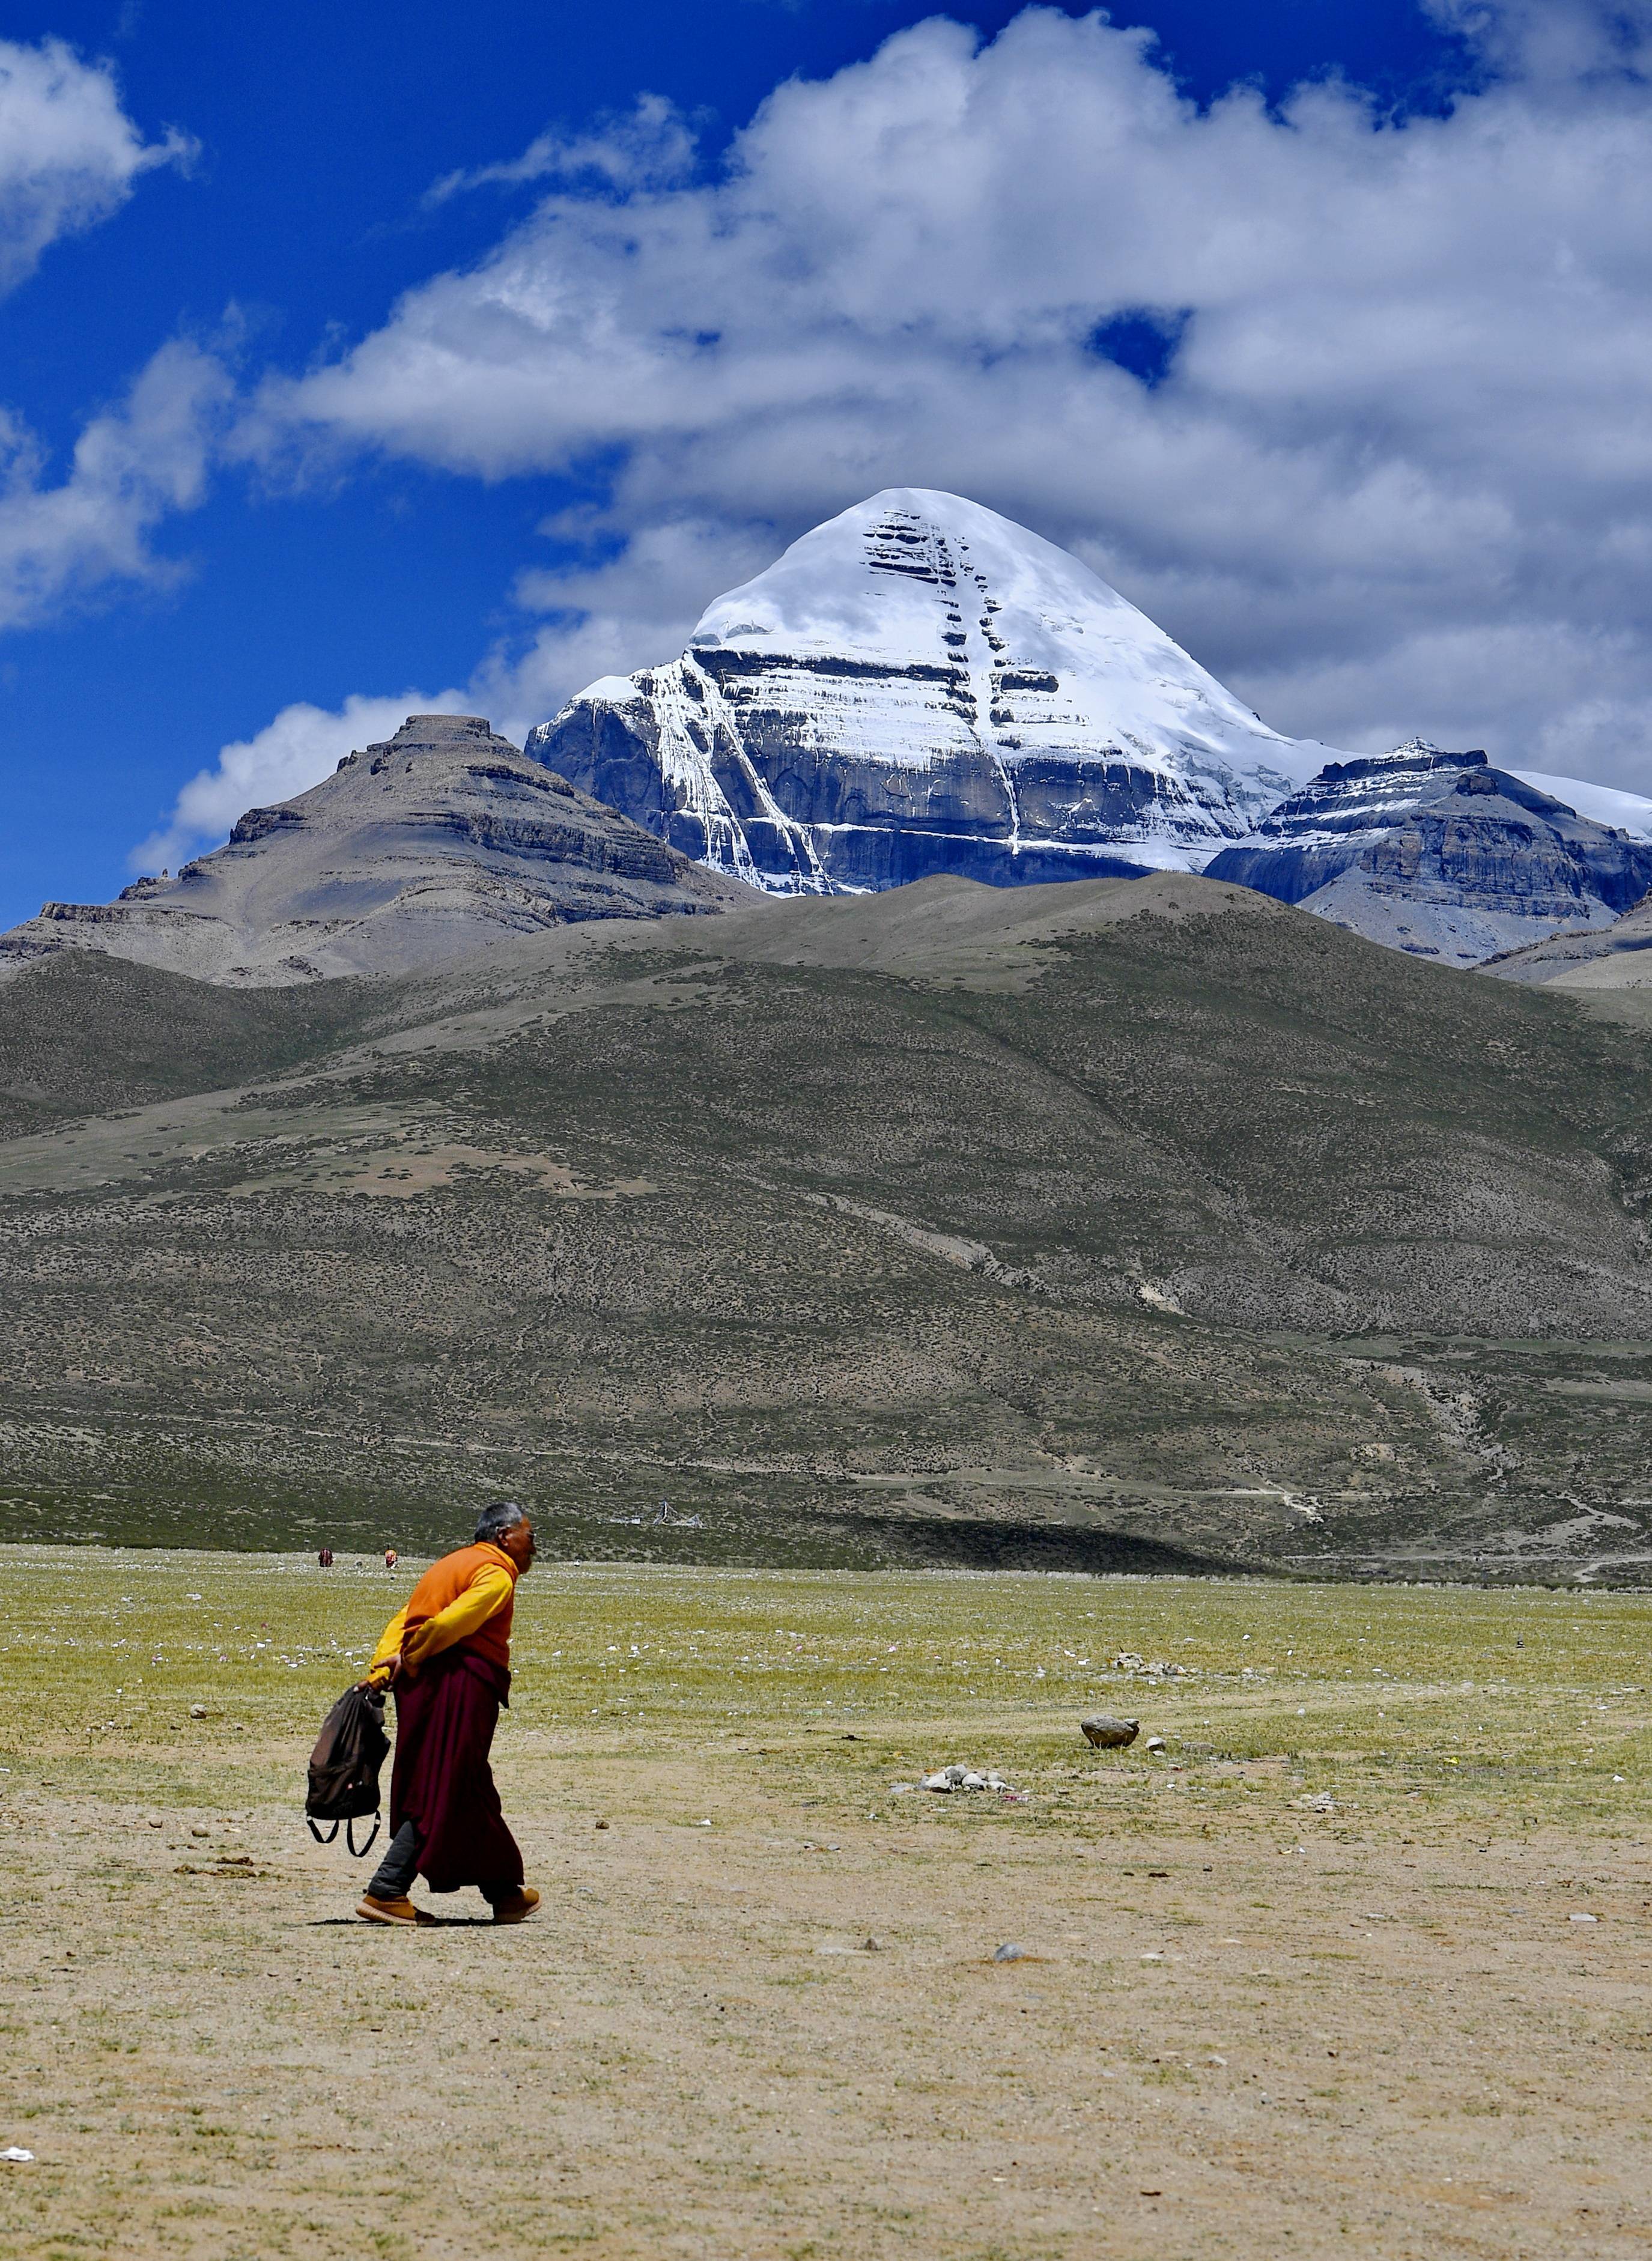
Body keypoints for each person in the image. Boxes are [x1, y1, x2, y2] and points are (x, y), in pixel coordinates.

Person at [354, 1502, 540, 1926]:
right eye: (529, 1535)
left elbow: (406, 1617)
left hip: (424, 1688)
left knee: (467, 1787)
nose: (534, 1545)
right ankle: (387, 1889)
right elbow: (453, 1621)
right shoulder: (496, 1573)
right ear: (503, 1536)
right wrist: (413, 1656)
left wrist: (386, 1666)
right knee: (444, 1786)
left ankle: (504, 1894)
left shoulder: (451, 1564)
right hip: (457, 1685)